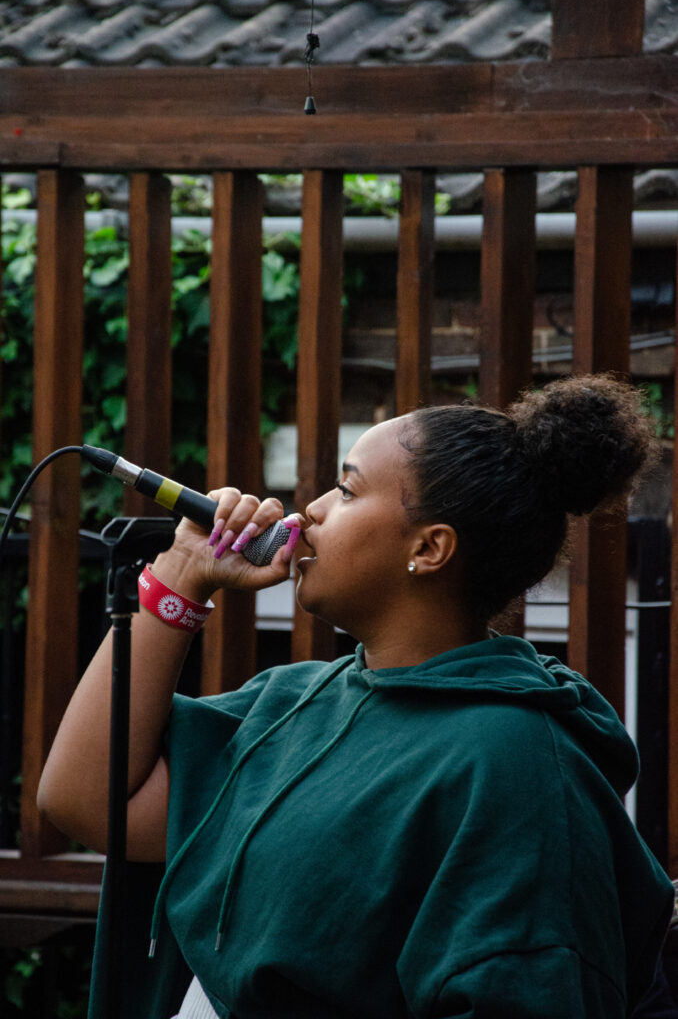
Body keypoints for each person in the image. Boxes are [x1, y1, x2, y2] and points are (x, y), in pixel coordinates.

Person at [38, 374, 675, 1019]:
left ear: (429, 549)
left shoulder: (516, 764)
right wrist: (179, 575)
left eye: (345, 490)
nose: (309, 508)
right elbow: (88, 801)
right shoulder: (293, 700)